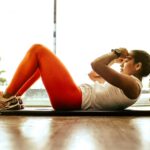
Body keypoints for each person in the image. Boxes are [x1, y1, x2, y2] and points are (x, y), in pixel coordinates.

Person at [0, 44, 150, 111]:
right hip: (74, 97)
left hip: (73, 98)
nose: (123, 62)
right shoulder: (125, 85)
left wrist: (116, 53)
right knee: (40, 65)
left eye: (127, 59)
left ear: (138, 66)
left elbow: (95, 64)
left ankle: (6, 96)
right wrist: (113, 60)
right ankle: (13, 98)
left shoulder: (133, 85)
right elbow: (94, 75)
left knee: (38, 50)